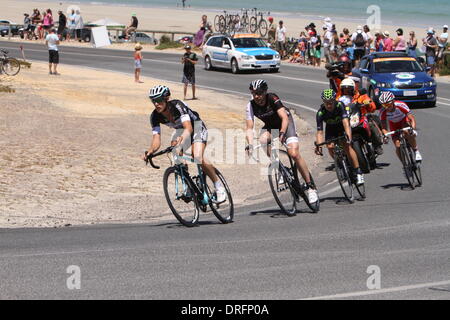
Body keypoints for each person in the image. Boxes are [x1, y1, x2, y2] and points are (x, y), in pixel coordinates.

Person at [144, 85, 227, 202]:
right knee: (175, 153)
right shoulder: (154, 116)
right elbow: (156, 139)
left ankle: (219, 187)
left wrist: (181, 138)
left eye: (158, 100)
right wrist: (150, 151)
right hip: (180, 131)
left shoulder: (177, 105)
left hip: (196, 126)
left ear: (166, 98)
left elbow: (188, 128)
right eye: (153, 101)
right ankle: (189, 184)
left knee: (197, 156)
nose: (156, 104)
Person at [245, 80, 319, 204]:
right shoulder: (250, 105)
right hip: (271, 126)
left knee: (294, 153)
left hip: (285, 123)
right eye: (254, 93)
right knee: (263, 139)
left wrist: (282, 133)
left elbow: (284, 118)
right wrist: (250, 144)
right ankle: (280, 167)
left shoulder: (272, 98)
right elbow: (249, 127)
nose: (256, 96)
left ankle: (311, 187)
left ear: (265, 92)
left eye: (259, 93)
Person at [315, 89, 364, 185]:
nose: (329, 105)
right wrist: (319, 146)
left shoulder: (340, 105)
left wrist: (349, 137)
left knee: (347, 146)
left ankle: (358, 171)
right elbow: (319, 132)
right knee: (329, 146)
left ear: (334, 100)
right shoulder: (320, 113)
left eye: (331, 102)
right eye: (326, 103)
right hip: (331, 129)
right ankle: (340, 163)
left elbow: (346, 123)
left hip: (341, 127)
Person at [379, 91, 422, 163]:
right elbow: (383, 126)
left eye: (388, 104)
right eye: (384, 105)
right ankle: (405, 165)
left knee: (407, 132)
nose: (386, 107)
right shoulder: (383, 111)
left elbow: (411, 118)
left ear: (393, 101)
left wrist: (413, 129)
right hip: (393, 125)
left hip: (403, 121)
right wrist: (385, 135)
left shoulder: (400, 105)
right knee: (398, 146)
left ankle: (416, 151)